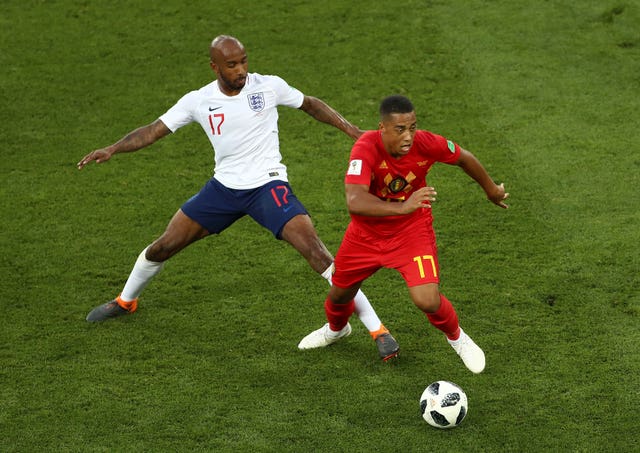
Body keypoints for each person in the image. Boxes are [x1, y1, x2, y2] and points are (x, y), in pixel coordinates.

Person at [77, 35, 399, 361]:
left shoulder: (268, 86)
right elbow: (152, 130)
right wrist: (113, 148)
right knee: (163, 246)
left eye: (244, 61)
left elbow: (310, 103)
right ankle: (125, 301)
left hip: (268, 188)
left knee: (317, 253)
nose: (241, 69)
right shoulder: (198, 100)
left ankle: (378, 330)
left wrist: (351, 130)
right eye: (232, 65)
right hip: (223, 190)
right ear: (215, 67)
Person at [298, 95, 509, 373]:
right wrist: (403, 206)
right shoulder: (365, 148)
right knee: (339, 295)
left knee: (427, 299)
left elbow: (463, 157)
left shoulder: (426, 143)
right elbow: (355, 200)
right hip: (365, 236)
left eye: (412, 127)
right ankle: (337, 329)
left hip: (411, 232)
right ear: (382, 128)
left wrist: (491, 188)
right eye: (400, 130)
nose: (408, 136)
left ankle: (458, 338)